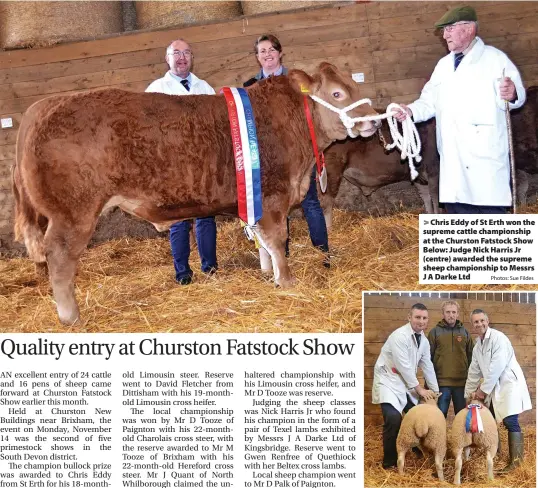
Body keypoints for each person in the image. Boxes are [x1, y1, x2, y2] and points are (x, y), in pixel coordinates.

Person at [394, 6, 526, 214]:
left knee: (491, 226)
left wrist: (513, 93)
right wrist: (410, 112)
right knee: (460, 228)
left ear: (469, 29)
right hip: (453, 162)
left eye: (449, 29)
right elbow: (428, 102)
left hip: (484, 160)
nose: (444, 35)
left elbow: (515, 96)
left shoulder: (495, 60)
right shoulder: (443, 66)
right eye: (444, 31)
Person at [243, 34, 329, 265]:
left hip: (298, 153)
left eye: (271, 49)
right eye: (262, 51)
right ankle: (284, 257)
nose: (267, 54)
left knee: (309, 201)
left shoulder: (296, 82)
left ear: (280, 53)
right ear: (257, 57)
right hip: (268, 157)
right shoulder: (250, 86)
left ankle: (323, 255)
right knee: (277, 205)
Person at [146, 39, 218, 285]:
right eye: (176, 53)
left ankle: (210, 268)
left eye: (186, 52)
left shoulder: (205, 87)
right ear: (167, 59)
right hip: (173, 166)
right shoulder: (156, 90)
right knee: (178, 219)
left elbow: (217, 126)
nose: (182, 57)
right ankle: (183, 273)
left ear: (192, 58)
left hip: (203, 164)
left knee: (206, 216)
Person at [372, 303, 439, 469]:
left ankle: (415, 447)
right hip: (388, 381)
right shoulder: (399, 336)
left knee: (417, 417)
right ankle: (389, 463)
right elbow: (404, 366)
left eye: (424, 318)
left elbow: (427, 364)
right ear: (409, 317)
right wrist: (420, 389)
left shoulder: (423, 340)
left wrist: (435, 390)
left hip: (405, 383)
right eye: (417, 317)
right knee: (393, 419)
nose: (421, 321)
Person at [465, 309, 532, 472]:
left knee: (510, 421)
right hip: (494, 388)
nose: (479, 324)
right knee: (493, 420)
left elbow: (496, 368)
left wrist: (482, 391)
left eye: (482, 320)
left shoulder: (498, 339)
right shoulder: (477, 346)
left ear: (487, 321)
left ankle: (516, 462)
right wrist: (468, 393)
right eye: (476, 322)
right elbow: (474, 371)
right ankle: (498, 455)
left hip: (508, 385)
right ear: (472, 325)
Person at [427, 300, 474, 417]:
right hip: (441, 383)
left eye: (454, 312)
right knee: (440, 415)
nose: (451, 315)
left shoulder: (465, 333)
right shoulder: (434, 332)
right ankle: (439, 436)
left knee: (462, 416)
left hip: (461, 383)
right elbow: (427, 358)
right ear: (443, 314)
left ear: (457, 314)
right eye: (448, 312)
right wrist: (429, 382)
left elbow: (472, 357)